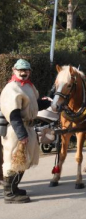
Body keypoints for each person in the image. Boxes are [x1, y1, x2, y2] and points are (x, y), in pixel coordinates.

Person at [0, 59, 51, 203]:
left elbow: (33, 105)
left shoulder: (29, 87)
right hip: (16, 130)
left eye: (26, 70)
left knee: (24, 160)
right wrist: (21, 134)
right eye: (20, 70)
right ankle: (9, 194)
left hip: (27, 127)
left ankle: (14, 188)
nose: (23, 73)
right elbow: (13, 114)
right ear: (14, 71)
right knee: (13, 160)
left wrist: (48, 102)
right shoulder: (12, 88)